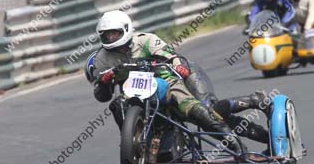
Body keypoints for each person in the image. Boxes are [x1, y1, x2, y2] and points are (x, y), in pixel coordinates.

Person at [89, 10, 242, 152]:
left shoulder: (147, 40)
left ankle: (234, 143)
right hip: (131, 91)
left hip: (165, 81)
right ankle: (131, 139)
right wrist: (103, 81)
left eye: (114, 33)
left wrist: (179, 66)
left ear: (126, 29)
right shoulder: (102, 58)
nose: (110, 38)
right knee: (117, 105)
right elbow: (101, 96)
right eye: (107, 35)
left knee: (194, 108)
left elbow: (173, 57)